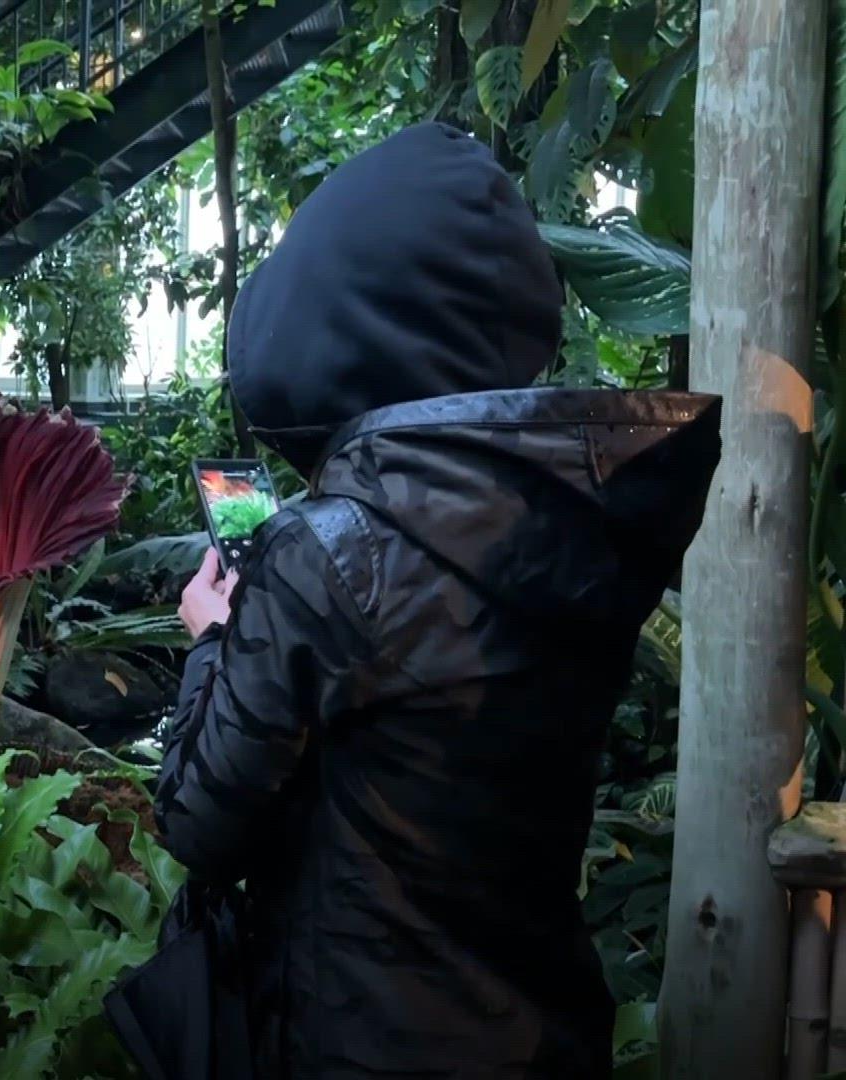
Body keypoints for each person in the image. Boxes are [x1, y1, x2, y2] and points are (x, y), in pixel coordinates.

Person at [154, 122, 721, 1077]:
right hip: (542, 1027)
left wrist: (215, 636)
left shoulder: (325, 555)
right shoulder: (586, 512)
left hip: (360, 1044)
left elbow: (198, 823)